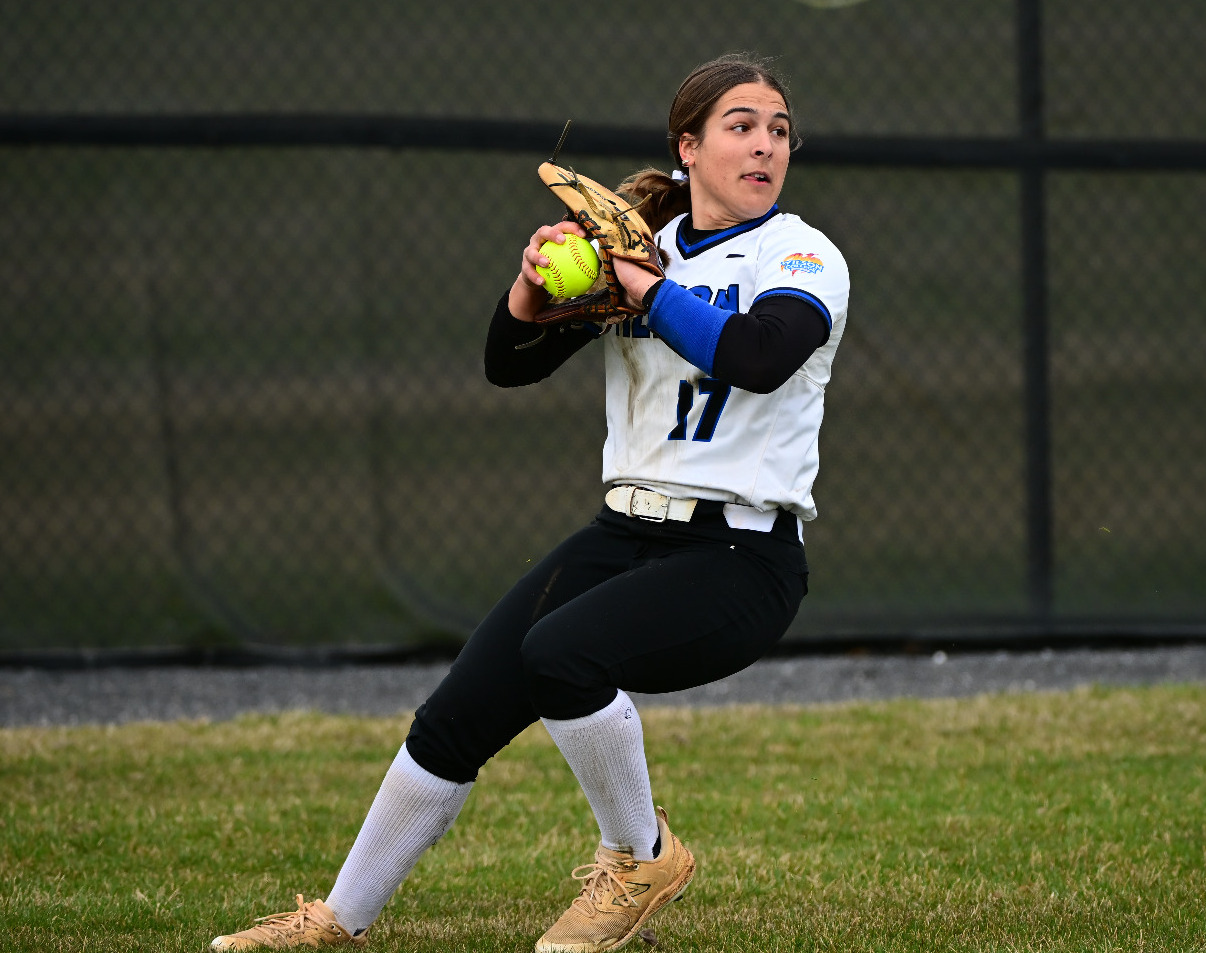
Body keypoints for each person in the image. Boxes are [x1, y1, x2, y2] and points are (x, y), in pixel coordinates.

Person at [209, 52, 849, 952]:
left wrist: (643, 288)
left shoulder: (803, 254)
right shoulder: (645, 249)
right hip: (624, 533)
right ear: (688, 147)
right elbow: (508, 364)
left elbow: (757, 356)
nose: (765, 146)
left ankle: (640, 857)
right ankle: (335, 922)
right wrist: (532, 289)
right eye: (740, 126)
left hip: (741, 557)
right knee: (456, 714)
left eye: (779, 130)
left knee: (562, 653)